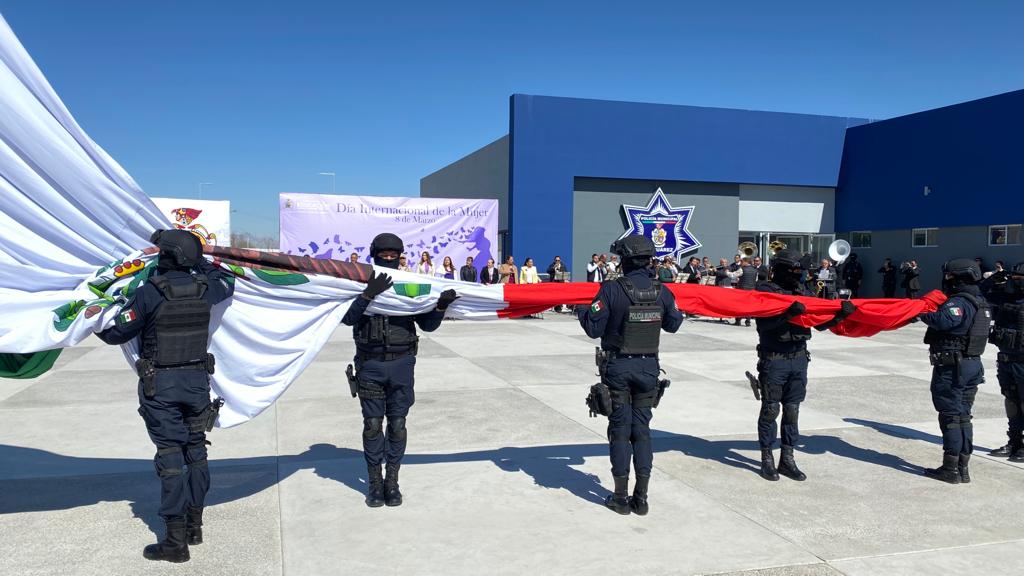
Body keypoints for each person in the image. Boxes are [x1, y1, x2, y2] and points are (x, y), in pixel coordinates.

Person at [96, 229, 235, 563]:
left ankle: (175, 542)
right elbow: (227, 279)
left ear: (166, 256)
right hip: (197, 384)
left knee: (171, 458)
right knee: (196, 452)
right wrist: (198, 258)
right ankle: (194, 527)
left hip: (162, 386)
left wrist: (95, 314)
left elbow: (115, 333)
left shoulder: (148, 293)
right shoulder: (207, 288)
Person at [342, 233, 459, 506]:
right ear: (374, 256)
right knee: (372, 426)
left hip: (402, 364)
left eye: (394, 256)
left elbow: (427, 325)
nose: (389, 259)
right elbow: (348, 318)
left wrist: (440, 306)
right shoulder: (359, 284)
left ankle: (391, 482)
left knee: (397, 425)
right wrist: (367, 294)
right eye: (383, 256)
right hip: (370, 365)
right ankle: (374, 483)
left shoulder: (409, 286)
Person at [576, 235, 683, 515]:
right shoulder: (663, 292)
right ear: (648, 261)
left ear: (624, 260)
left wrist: (581, 308)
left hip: (619, 369)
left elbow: (593, 329)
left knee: (621, 432)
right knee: (642, 432)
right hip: (648, 369)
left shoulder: (611, 290)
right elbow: (674, 324)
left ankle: (621, 498)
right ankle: (642, 498)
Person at [753, 249, 856, 482]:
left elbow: (817, 324)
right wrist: (787, 315)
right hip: (774, 358)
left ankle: (787, 458)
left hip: (799, 358)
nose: (797, 275)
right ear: (781, 269)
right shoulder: (766, 290)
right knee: (771, 410)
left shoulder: (803, 291)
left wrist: (839, 317)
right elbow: (763, 325)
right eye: (794, 270)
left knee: (792, 410)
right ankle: (767, 458)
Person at [917, 259, 990, 483]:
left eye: (950, 276)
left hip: (953, 368)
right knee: (963, 416)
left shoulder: (959, 301)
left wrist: (921, 312)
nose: (947, 280)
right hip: (971, 365)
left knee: (951, 417)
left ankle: (950, 469)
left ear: (959, 278)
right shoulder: (981, 301)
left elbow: (945, 321)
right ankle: (962, 468)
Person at [986, 262, 1024, 462]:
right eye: (1014, 278)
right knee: (1011, 401)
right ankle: (1014, 443)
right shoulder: (1006, 297)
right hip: (1006, 360)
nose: (1016, 282)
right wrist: (994, 279)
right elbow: (981, 293)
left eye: (1020, 278)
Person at [733, 257, 757, 326]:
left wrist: (727, 272)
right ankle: (748, 321)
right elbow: (755, 280)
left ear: (746, 262)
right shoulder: (755, 270)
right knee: (748, 305)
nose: (741, 263)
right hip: (751, 290)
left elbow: (733, 275)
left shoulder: (742, 269)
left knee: (739, 305)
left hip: (742, 289)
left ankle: (738, 320)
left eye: (742, 261)